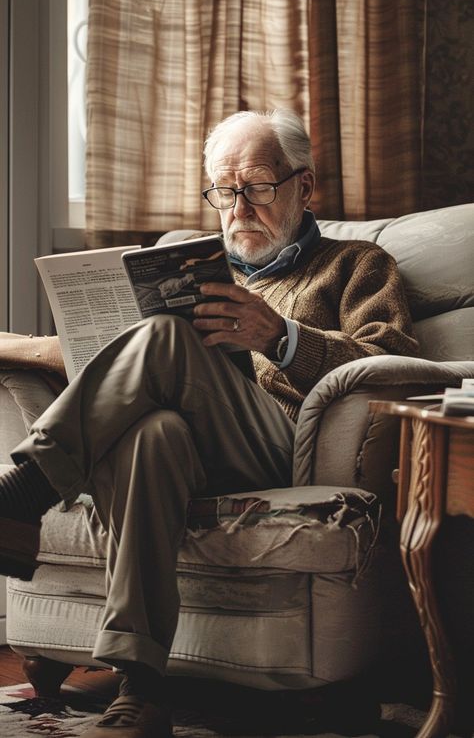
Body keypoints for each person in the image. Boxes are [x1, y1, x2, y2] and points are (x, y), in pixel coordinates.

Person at [0, 109, 419, 737]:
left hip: (278, 444)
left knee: (164, 335)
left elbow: (393, 363)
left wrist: (280, 337)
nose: (237, 206)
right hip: (181, 447)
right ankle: (143, 689)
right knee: (152, 436)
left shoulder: (357, 265)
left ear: (304, 187)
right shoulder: (183, 267)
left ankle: (25, 489)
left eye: (255, 185)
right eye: (223, 191)